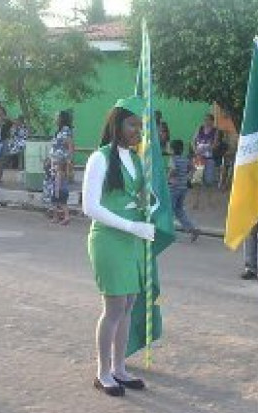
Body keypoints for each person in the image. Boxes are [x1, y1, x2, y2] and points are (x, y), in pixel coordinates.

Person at [82, 96, 155, 397]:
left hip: (132, 238)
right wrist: (130, 225)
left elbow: (138, 198)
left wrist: (151, 205)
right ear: (117, 124)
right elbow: (90, 206)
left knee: (129, 305)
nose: (137, 130)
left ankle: (120, 367)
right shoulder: (99, 158)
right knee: (113, 308)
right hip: (109, 239)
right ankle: (102, 372)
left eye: (140, 125)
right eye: (131, 124)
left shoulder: (136, 159)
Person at [167, 139, 199, 242]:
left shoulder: (173, 159)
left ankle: (169, 233)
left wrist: (167, 179)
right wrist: (188, 178)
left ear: (172, 150)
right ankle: (192, 229)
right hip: (183, 188)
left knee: (169, 211)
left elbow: (173, 170)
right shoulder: (185, 159)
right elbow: (193, 169)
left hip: (173, 188)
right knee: (179, 210)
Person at [49, 111, 74, 225]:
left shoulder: (65, 130)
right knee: (54, 189)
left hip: (60, 162)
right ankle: (56, 216)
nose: (55, 118)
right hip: (55, 162)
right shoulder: (59, 130)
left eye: (57, 117)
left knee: (59, 189)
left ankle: (64, 216)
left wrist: (68, 161)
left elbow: (70, 145)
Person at [192, 113, 219, 188]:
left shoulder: (215, 131)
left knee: (209, 181)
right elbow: (193, 141)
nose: (206, 121)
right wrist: (195, 150)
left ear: (212, 121)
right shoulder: (199, 128)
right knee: (198, 179)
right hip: (199, 155)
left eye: (208, 120)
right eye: (205, 120)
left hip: (209, 155)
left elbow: (215, 144)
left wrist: (206, 149)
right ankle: (198, 181)